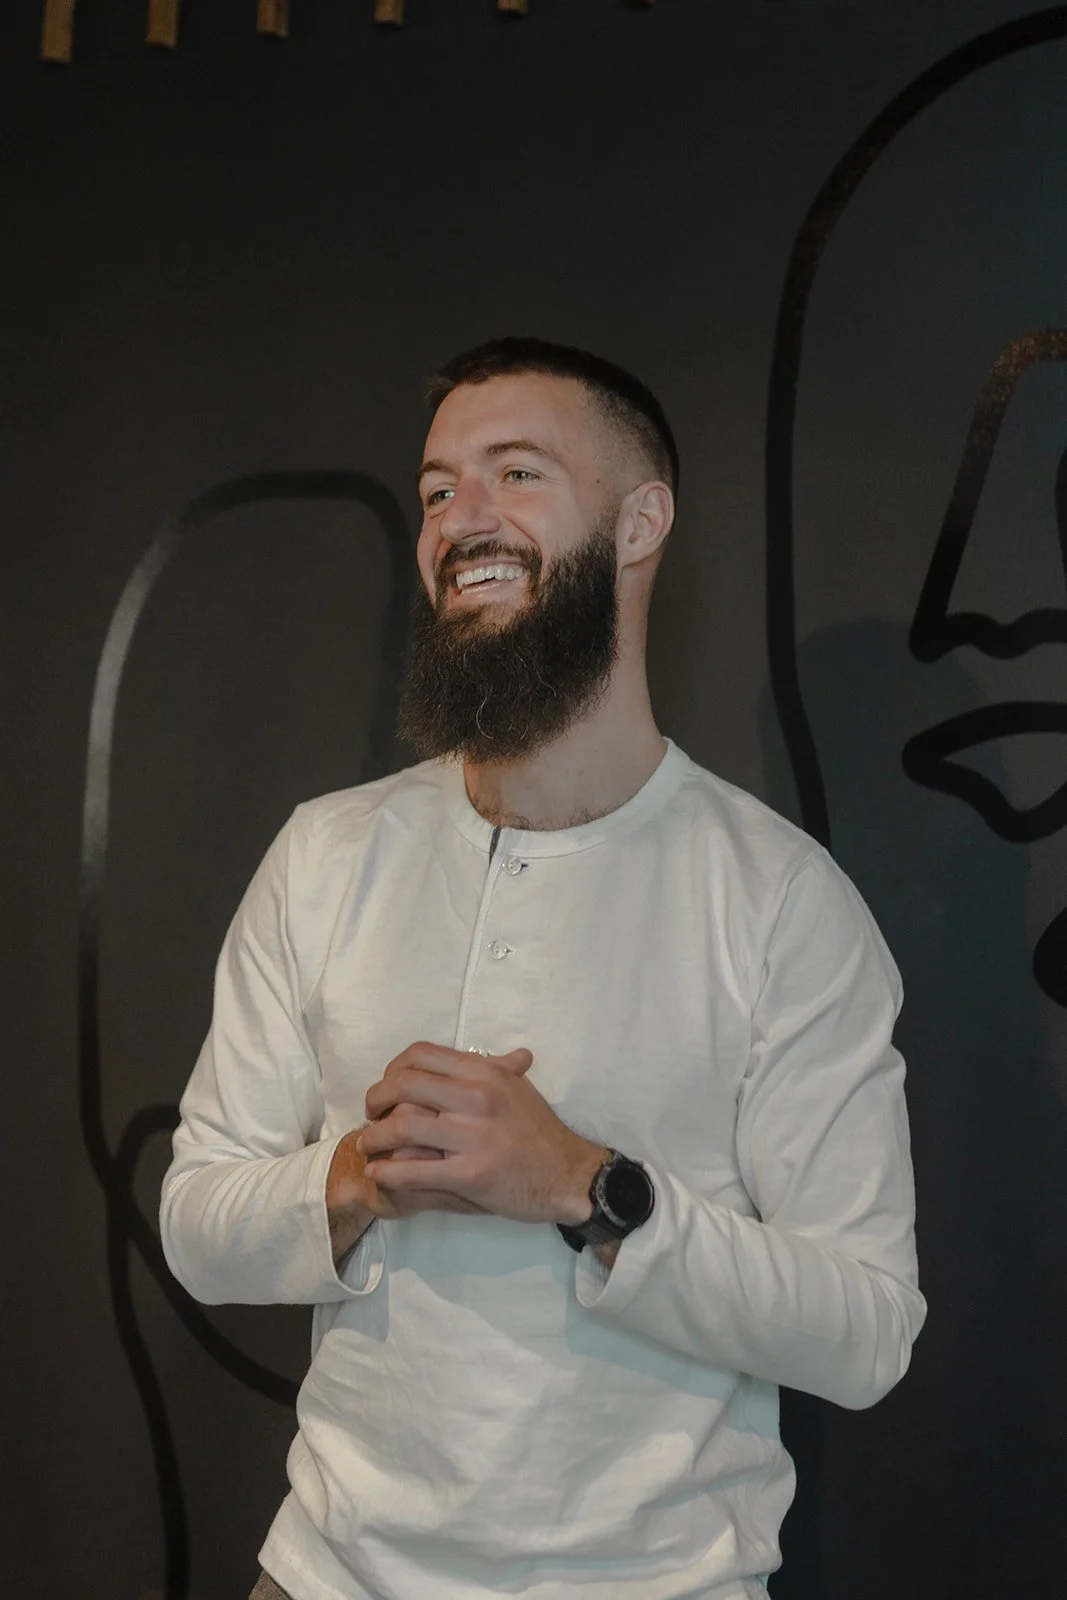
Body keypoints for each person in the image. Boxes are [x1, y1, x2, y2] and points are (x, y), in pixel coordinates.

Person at [160, 337, 926, 1600]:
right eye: (436, 488)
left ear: (640, 522)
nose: (461, 517)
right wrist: (355, 1175)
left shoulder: (780, 902)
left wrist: (583, 1185)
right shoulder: (325, 854)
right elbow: (197, 1226)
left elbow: (865, 1331)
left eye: (516, 472)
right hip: (327, 1575)